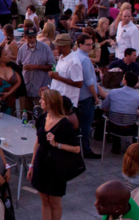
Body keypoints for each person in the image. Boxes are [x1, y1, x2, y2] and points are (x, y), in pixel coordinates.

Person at [28, 89, 82, 220]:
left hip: (56, 166)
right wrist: (32, 165)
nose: (40, 101)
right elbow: (38, 143)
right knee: (45, 202)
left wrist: (56, 143)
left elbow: (76, 149)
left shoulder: (65, 124)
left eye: (43, 99)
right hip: (41, 163)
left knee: (55, 203)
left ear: (51, 102)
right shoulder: (41, 118)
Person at [100, 72, 139, 154]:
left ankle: (116, 146)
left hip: (112, 127)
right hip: (129, 128)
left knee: (116, 118)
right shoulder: (138, 96)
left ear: (125, 81)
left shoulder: (113, 92)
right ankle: (134, 148)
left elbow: (104, 106)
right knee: (137, 122)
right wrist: (135, 112)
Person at [74, 34, 103, 158]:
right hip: (86, 97)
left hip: (78, 96)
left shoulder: (76, 55)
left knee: (80, 125)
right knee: (85, 125)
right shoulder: (84, 59)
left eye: (92, 44)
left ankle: (79, 148)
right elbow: (89, 81)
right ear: (80, 44)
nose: (91, 46)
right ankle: (86, 150)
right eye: (88, 44)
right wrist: (96, 97)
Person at [17, 28, 57, 112]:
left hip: (41, 88)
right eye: (29, 37)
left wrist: (36, 67)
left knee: (41, 114)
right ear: (25, 37)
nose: (32, 39)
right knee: (26, 114)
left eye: (34, 37)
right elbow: (18, 66)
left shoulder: (45, 48)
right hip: (26, 88)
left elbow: (53, 66)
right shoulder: (22, 49)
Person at [49, 34, 84, 108]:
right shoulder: (61, 58)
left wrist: (58, 77)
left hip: (67, 104)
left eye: (58, 46)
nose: (56, 47)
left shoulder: (73, 62)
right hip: (57, 100)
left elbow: (79, 84)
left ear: (66, 46)